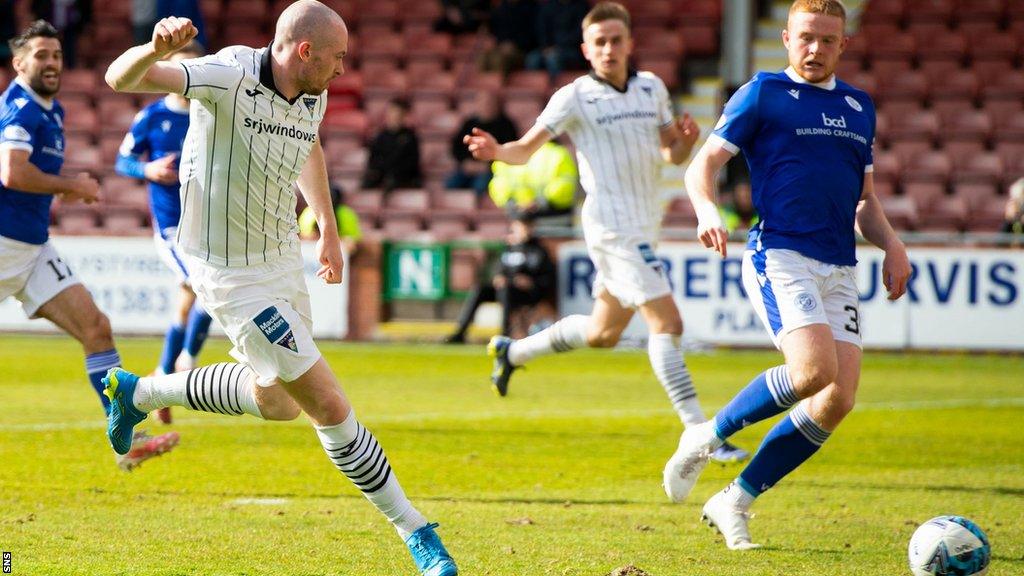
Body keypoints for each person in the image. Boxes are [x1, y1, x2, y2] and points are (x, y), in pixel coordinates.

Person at [102, 4, 457, 575]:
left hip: (280, 263)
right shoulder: (227, 74)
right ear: (305, 51)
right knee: (328, 405)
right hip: (229, 273)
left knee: (279, 402)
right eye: (338, 57)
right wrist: (155, 49)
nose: (344, 69)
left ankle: (138, 393)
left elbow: (309, 145)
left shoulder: (309, 93)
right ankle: (414, 529)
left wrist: (328, 230)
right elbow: (118, 78)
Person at [669, 0, 912, 550]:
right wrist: (708, 211)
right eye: (806, 37)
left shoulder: (858, 106)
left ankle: (734, 499)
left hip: (840, 264)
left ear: (843, 45)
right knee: (811, 372)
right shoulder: (762, 93)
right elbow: (701, 167)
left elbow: (865, 201)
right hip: (780, 252)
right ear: (785, 38)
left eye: (828, 40)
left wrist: (892, 243)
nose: (815, 49)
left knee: (837, 398)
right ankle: (706, 435)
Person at [464, 2, 749, 463]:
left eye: (616, 40)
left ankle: (512, 352)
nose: (609, 48)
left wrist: (686, 139)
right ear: (586, 49)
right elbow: (525, 149)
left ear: (630, 43)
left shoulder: (651, 88)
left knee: (602, 333)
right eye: (600, 42)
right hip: (611, 228)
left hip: (643, 224)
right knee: (667, 323)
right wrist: (498, 150)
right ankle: (701, 433)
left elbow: (671, 157)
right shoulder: (574, 96)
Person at [0, 20, 179, 471]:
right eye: (41, 55)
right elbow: (12, 173)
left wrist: (60, 188)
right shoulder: (20, 108)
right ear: (19, 63)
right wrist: (71, 185)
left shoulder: (50, 110)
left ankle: (129, 441)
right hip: (4, 245)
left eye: (57, 55)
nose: (52, 63)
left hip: (34, 250)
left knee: (96, 328)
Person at [115, 39, 213, 426]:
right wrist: (148, 170)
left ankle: (160, 380)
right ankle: (181, 369)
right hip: (172, 228)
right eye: (180, 69)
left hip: (208, 227)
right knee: (206, 287)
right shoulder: (152, 117)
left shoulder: (211, 115)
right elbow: (123, 160)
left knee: (187, 303)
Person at [445, 212, 555, 343]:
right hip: (506, 288)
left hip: (528, 293)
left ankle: (504, 334)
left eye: (527, 225)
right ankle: (460, 332)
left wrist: (531, 282)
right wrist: (498, 277)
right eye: (521, 225)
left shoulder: (539, 250)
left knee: (506, 290)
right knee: (481, 289)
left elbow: (548, 278)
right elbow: (498, 269)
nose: (525, 229)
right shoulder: (509, 248)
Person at [446, 91, 517, 197]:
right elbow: (456, 148)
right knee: (450, 184)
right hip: (469, 167)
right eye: (482, 103)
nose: (486, 106)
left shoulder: (506, 125)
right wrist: (466, 162)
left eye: (489, 103)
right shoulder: (469, 124)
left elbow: (509, 150)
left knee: (479, 186)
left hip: (493, 170)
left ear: (496, 105)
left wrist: (488, 166)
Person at [488, 140, 577, 219]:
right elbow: (565, 185)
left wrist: (513, 204)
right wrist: (539, 203)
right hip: (551, 213)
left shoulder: (510, 153)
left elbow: (498, 186)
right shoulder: (558, 153)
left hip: (530, 214)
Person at [361, 97, 422, 192]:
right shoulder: (380, 137)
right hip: (382, 175)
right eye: (391, 112)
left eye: (397, 113)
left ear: (404, 115)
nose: (393, 116)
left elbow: (412, 163)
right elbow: (373, 159)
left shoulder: (410, 137)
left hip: (403, 177)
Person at [524, 0, 589, 79]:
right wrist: (546, 47)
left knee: (553, 59)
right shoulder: (549, 6)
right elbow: (542, 31)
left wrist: (558, 47)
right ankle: (535, 88)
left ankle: (555, 88)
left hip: (573, 50)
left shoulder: (581, 7)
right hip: (549, 49)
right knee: (532, 59)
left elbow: (580, 33)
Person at [298, 183, 361, 254]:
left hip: (338, 249)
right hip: (314, 249)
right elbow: (305, 237)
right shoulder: (310, 212)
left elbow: (353, 241)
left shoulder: (309, 211)